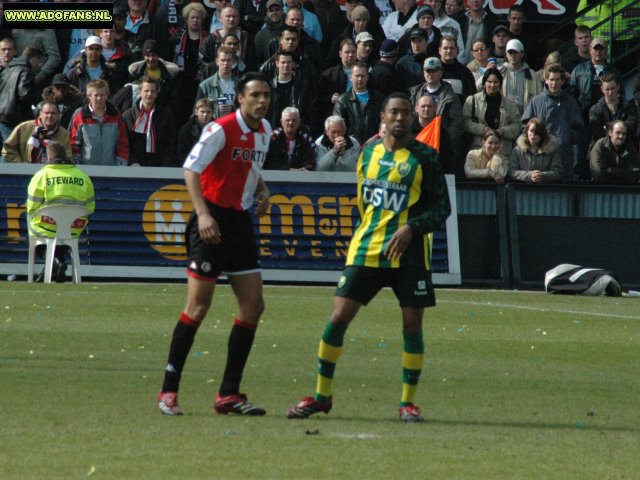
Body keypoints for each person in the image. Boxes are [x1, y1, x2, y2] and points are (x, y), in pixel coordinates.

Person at [286, 92, 451, 423]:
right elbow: (365, 202)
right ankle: (321, 396)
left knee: (411, 325)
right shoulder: (369, 152)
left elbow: (442, 208)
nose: (401, 118)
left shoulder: (425, 157)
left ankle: (407, 403)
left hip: (410, 254)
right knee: (337, 320)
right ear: (383, 117)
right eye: (395, 112)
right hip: (368, 249)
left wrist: (412, 228)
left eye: (406, 112)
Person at [157, 72, 272, 417]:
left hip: (239, 223)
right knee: (198, 308)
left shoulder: (265, 132)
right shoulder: (220, 128)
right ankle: (168, 392)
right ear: (240, 98)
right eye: (255, 95)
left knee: (253, 307)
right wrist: (203, 215)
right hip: (211, 220)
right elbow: (191, 170)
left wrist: (262, 190)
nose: (262, 101)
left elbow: (251, 167)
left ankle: (228, 394)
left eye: (266, 95)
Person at [26, 142, 95, 283]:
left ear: (49, 157)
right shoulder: (83, 176)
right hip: (74, 227)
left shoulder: (42, 176)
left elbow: (31, 208)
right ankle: (56, 264)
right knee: (63, 237)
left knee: (37, 234)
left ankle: (57, 261)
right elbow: (90, 208)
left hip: (47, 226)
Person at [522, 64, 583, 179]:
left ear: (563, 81)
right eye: (551, 80)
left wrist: (567, 137)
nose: (554, 83)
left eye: (557, 80)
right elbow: (525, 126)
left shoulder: (571, 102)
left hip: (563, 154)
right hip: (540, 154)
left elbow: (579, 128)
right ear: (546, 81)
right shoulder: (536, 101)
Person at [69, 79, 129, 166]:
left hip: (111, 168)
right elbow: (73, 143)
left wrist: (121, 164)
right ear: (89, 96)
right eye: (96, 95)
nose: (99, 98)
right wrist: (77, 164)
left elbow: (122, 142)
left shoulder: (115, 114)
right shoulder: (79, 115)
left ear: (107, 96)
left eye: (102, 95)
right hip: (86, 169)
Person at [463, 68, 521, 156]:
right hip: (478, 152)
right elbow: (464, 122)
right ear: (484, 83)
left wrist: (504, 131)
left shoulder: (509, 104)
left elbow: (517, 125)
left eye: (496, 82)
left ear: (500, 84)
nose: (492, 85)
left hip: (502, 152)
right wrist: (482, 129)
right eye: (489, 82)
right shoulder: (472, 100)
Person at [122, 76, 177, 167]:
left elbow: (170, 144)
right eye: (146, 91)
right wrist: (132, 161)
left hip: (160, 166)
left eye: (152, 91)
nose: (149, 94)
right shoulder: (128, 115)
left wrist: (166, 165)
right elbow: (124, 142)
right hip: (135, 166)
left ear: (157, 93)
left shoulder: (167, 115)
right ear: (140, 93)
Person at [333, 62, 386, 145]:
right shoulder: (343, 100)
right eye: (357, 76)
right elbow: (337, 126)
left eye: (362, 76)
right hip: (352, 147)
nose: (360, 79)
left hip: (375, 145)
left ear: (367, 77)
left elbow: (385, 123)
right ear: (351, 77)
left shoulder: (379, 98)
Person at [2, 101, 72, 164]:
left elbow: (68, 155)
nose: (50, 116)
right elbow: (8, 148)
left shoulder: (63, 133)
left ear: (58, 115)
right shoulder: (23, 127)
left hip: (51, 171)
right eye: (47, 113)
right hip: (25, 171)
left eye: (53, 113)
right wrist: (19, 164)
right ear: (40, 114)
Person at [0, 37, 36, 155]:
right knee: (10, 153)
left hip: (9, 117)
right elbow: (25, 94)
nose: (6, 52)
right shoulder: (23, 69)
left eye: (9, 49)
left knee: (8, 152)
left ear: (15, 51)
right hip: (8, 118)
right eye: (3, 49)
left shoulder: (16, 68)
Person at [589, 73, 640, 148]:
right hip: (603, 149)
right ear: (602, 89)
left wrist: (608, 127)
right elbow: (598, 133)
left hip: (627, 148)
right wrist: (622, 126)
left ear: (618, 87)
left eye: (613, 88)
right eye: (607, 89)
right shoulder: (595, 110)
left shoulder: (629, 107)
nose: (610, 92)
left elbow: (632, 127)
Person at [508, 117, 563, 183]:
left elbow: (558, 172)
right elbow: (512, 171)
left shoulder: (551, 150)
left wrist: (543, 176)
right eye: (531, 130)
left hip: (545, 190)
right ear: (527, 131)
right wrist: (529, 175)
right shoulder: (517, 151)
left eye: (537, 132)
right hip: (522, 190)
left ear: (542, 134)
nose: (533, 134)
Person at [498, 38, 542, 116]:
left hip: (526, 117)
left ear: (522, 54)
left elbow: (540, 97)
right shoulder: (499, 72)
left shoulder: (531, 74)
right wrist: (488, 71)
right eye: (510, 52)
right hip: (503, 117)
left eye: (516, 52)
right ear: (506, 54)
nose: (513, 56)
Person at [195, 46, 238, 119]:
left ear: (233, 62)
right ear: (217, 61)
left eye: (228, 60)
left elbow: (248, 110)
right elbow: (197, 111)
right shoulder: (206, 85)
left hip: (235, 125)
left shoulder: (241, 85)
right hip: (214, 126)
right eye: (223, 60)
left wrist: (233, 109)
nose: (226, 63)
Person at [177, 98, 214, 164]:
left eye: (208, 112)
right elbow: (182, 153)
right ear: (196, 112)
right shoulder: (186, 129)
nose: (205, 115)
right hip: (191, 166)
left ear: (212, 113)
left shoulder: (217, 129)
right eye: (202, 112)